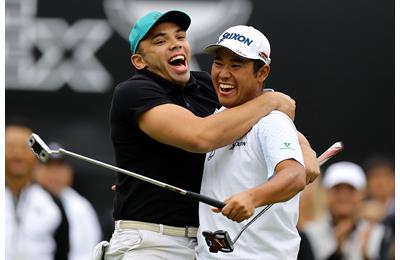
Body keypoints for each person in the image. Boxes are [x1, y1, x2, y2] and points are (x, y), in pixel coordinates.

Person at [103, 10, 319, 260]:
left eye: (180, 36)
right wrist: (271, 98)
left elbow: (265, 120)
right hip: (150, 243)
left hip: (200, 246)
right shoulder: (134, 92)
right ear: (140, 61)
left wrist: (303, 149)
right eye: (160, 41)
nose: (175, 44)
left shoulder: (205, 86)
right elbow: (201, 136)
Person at [195, 25, 306, 259]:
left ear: (262, 73)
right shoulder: (215, 121)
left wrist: (251, 197)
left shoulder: (272, 121)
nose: (223, 73)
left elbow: (295, 175)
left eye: (236, 65)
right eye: (218, 62)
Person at [5, 124, 69, 260]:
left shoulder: (52, 202)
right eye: (10, 147)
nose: (17, 155)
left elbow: (63, 251)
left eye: (24, 148)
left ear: (36, 154)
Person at [303, 161, 385, 260]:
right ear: (325, 194)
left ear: (362, 194)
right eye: (337, 189)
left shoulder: (379, 232)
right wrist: (337, 252)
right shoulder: (308, 233)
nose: (344, 195)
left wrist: (366, 256)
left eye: (351, 189)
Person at [34, 142, 102, 260]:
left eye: (59, 167)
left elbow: (92, 248)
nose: (54, 174)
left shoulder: (82, 206)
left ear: (69, 172)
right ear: (36, 171)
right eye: (49, 167)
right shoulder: (26, 200)